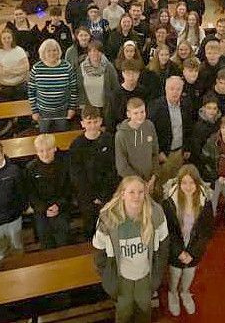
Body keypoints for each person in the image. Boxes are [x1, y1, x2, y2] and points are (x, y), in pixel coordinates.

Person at [92, 175, 169, 323]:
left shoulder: (156, 214)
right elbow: (98, 251)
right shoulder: (108, 218)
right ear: (122, 194)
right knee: (123, 313)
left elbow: (164, 247)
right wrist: (108, 276)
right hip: (122, 278)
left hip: (145, 276)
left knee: (144, 311)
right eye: (131, 192)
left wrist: (157, 276)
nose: (136, 196)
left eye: (141, 192)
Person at [161, 165, 213, 316]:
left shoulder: (205, 202)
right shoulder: (170, 202)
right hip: (176, 247)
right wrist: (179, 251)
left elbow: (207, 230)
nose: (188, 187)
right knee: (175, 273)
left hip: (194, 247)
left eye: (192, 183)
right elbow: (168, 230)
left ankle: (184, 292)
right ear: (179, 183)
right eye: (184, 183)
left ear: (197, 183)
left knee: (189, 274)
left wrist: (193, 252)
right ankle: (173, 293)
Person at [70, 106, 118, 239]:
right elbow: (77, 175)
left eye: (95, 122)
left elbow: (113, 169)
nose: (92, 126)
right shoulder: (76, 145)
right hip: (87, 197)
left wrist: (103, 195)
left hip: (108, 193)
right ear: (82, 123)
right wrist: (92, 197)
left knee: (110, 227)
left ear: (101, 121)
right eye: (89, 122)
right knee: (90, 227)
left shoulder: (109, 139)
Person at [24, 134, 71, 249]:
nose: (45, 154)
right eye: (41, 151)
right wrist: (44, 208)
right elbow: (30, 193)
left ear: (55, 148)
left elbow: (68, 188)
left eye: (49, 150)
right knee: (45, 240)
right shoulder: (30, 168)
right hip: (41, 210)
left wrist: (59, 205)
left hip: (61, 207)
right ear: (36, 151)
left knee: (63, 239)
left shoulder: (64, 165)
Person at [148, 77, 193, 191]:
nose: (175, 92)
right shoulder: (156, 107)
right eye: (171, 89)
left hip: (179, 153)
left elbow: (188, 128)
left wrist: (187, 148)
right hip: (163, 155)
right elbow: (149, 133)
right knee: (160, 187)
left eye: (178, 89)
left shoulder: (186, 104)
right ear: (165, 89)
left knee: (175, 185)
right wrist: (157, 152)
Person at [27, 39, 77, 133]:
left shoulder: (67, 67)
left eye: (54, 50)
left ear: (59, 51)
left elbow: (73, 90)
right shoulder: (36, 68)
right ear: (43, 53)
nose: (52, 53)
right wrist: (34, 111)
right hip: (43, 112)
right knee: (44, 137)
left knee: (62, 135)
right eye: (48, 51)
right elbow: (31, 91)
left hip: (63, 111)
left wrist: (71, 108)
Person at [115, 97, 160, 191]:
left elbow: (155, 153)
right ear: (128, 114)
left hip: (150, 182)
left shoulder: (149, 126)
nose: (140, 116)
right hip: (132, 184)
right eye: (136, 113)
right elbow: (122, 166)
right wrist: (141, 182)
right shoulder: (121, 135)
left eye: (142, 112)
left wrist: (154, 176)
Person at [106, 60, 150, 132]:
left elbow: (147, 113)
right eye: (128, 73)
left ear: (139, 74)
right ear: (123, 74)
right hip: (122, 131)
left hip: (140, 129)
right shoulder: (115, 94)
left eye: (134, 73)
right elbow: (110, 118)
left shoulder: (143, 92)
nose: (131, 76)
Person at [75, 41, 120, 112]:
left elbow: (115, 86)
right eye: (92, 51)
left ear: (102, 53)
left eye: (98, 51)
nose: (94, 54)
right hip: (88, 106)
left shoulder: (109, 67)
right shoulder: (82, 67)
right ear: (88, 53)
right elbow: (79, 87)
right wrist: (82, 104)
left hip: (106, 107)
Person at [0, 29, 30, 101]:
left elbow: (25, 68)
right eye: (4, 38)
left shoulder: (19, 50)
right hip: (5, 85)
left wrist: (8, 71)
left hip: (20, 83)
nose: (7, 40)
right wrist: (16, 71)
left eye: (9, 38)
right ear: (0, 40)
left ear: (12, 38)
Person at [190, 95, 221, 166]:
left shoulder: (220, 123)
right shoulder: (198, 126)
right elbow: (196, 149)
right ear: (204, 108)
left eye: (214, 108)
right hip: (204, 163)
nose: (212, 111)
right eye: (209, 108)